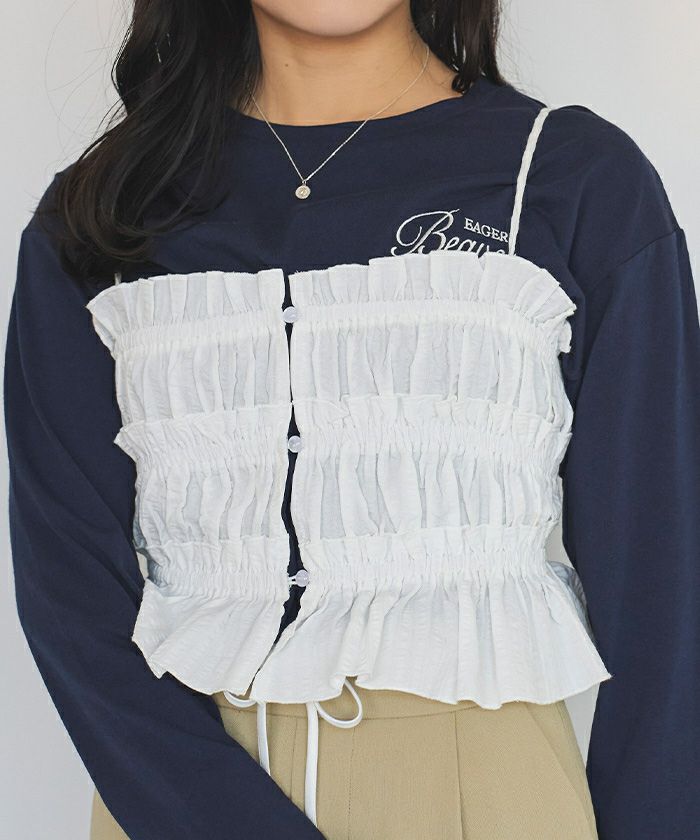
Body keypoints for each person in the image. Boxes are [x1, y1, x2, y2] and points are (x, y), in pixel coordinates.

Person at [4, 1, 699, 839]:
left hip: (484, 791)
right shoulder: (100, 211)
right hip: (173, 803)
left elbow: (661, 584)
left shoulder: (570, 176)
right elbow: (70, 589)